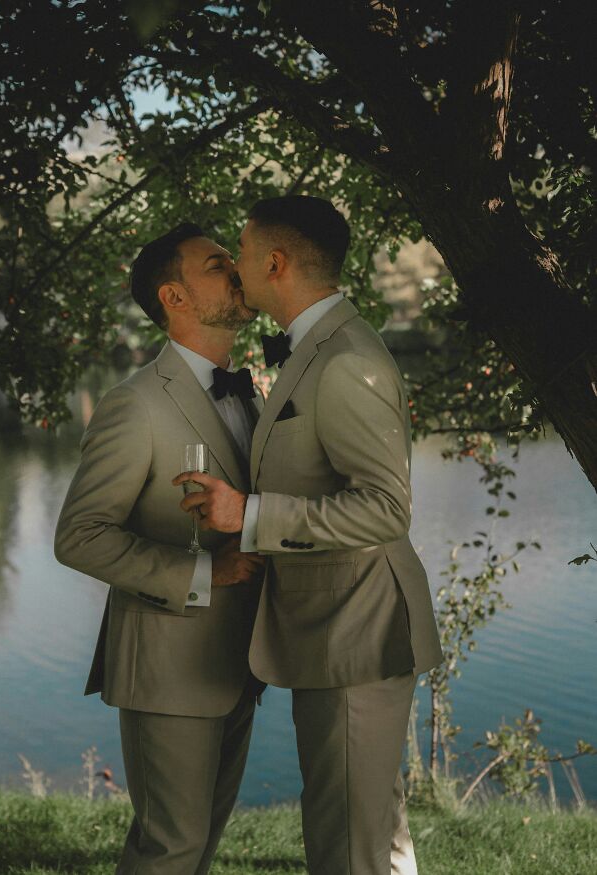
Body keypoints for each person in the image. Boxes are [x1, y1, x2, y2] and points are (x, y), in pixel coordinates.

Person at [174, 197, 443, 875]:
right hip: (335, 630)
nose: (235, 265)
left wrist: (250, 515)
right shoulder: (316, 347)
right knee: (377, 834)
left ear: (275, 262)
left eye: (240, 251)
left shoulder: (347, 358)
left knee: (346, 843)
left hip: (356, 631)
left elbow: (385, 508)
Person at [54, 222, 266, 875]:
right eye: (215, 263)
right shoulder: (134, 405)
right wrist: (206, 571)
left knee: (198, 848)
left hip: (240, 664)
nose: (235, 268)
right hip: (168, 665)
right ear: (174, 297)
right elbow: (79, 536)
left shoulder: (250, 395)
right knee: (167, 849)